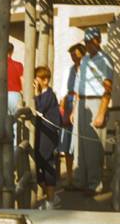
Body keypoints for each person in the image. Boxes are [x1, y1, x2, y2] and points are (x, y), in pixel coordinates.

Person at [73, 27, 114, 195]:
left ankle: (94, 184)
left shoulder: (105, 60)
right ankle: (80, 181)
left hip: (96, 103)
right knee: (79, 145)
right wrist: (75, 108)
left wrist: (102, 113)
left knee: (93, 146)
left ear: (99, 40)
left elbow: (108, 89)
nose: (90, 45)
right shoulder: (84, 60)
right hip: (82, 103)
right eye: (87, 42)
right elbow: (78, 86)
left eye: (92, 41)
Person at [34, 66, 61, 209]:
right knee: (39, 163)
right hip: (41, 134)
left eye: (37, 78)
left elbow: (40, 109)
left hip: (48, 135)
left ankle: (50, 200)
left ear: (45, 80)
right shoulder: (43, 94)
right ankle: (51, 196)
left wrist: (37, 93)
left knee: (47, 163)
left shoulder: (49, 95)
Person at [59, 43, 84, 189]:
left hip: (82, 104)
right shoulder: (69, 70)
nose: (74, 59)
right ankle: (69, 177)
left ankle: (81, 177)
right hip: (69, 104)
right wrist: (62, 108)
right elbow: (64, 91)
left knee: (79, 141)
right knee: (67, 141)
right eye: (72, 56)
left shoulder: (87, 70)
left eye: (76, 56)